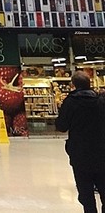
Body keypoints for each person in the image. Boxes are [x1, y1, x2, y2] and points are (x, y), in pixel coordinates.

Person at [56, 71, 105, 212]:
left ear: (73, 85)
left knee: (86, 194)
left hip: (80, 154)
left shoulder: (70, 102)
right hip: (101, 152)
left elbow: (61, 126)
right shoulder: (100, 101)